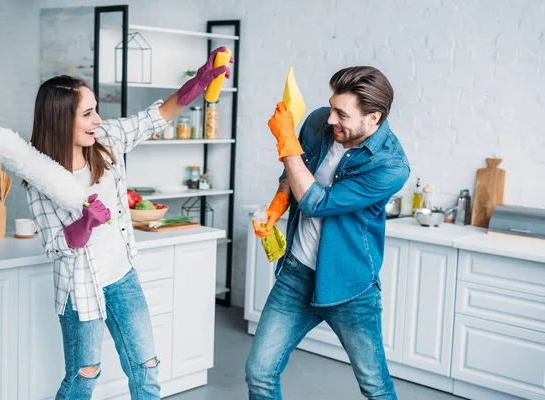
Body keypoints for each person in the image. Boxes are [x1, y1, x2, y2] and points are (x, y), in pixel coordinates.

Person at [26, 47, 233, 400]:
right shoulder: (41, 178)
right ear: (62, 120)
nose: (97, 120)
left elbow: (154, 118)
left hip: (122, 276)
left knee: (147, 367)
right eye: (88, 113)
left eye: (96, 111)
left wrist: (198, 82)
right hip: (80, 288)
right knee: (83, 377)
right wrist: (84, 225)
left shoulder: (105, 141)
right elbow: (54, 246)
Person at [246, 66, 410, 400]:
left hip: (349, 287)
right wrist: (278, 203)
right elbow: (293, 176)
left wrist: (286, 142)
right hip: (296, 273)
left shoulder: (390, 165)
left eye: (341, 114)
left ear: (373, 117)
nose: (331, 119)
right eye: (331, 107)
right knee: (259, 372)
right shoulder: (319, 122)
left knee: (375, 386)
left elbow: (317, 203)